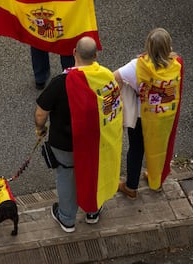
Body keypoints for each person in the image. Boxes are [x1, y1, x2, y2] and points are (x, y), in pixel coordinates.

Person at [35, 37, 123, 232]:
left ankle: (66, 218)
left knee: (67, 175)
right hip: (95, 142)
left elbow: (41, 111)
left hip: (66, 144)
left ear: (74, 52)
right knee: (93, 173)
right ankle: (93, 210)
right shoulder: (106, 77)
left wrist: (40, 129)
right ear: (96, 55)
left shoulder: (61, 83)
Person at [114, 28, 184, 199]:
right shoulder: (176, 64)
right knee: (159, 149)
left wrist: (123, 96)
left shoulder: (138, 65)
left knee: (136, 150)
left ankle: (131, 187)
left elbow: (114, 77)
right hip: (164, 116)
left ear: (148, 46)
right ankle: (156, 181)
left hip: (142, 117)